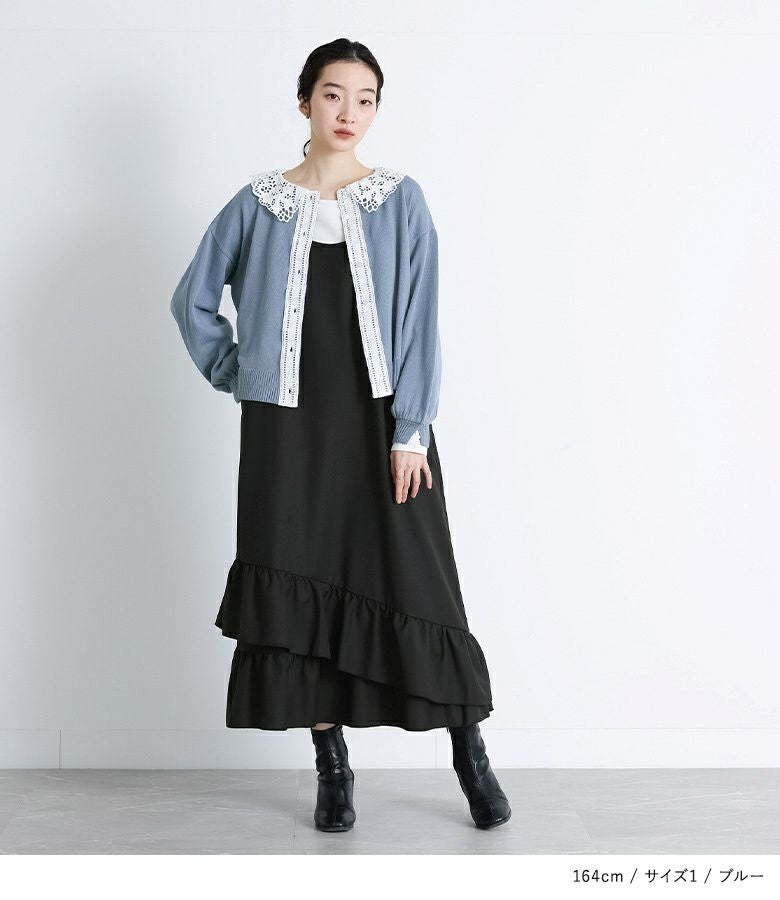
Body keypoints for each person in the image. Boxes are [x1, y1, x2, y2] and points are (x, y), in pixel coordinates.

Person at [169, 37, 511, 833]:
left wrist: (412, 431)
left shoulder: (401, 200)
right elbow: (192, 301)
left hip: (380, 422)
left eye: (365, 98)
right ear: (304, 102)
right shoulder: (258, 204)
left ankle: (470, 755)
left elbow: (420, 319)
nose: (349, 112)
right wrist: (241, 372)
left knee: (420, 580)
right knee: (300, 580)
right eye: (333, 94)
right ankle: (332, 766)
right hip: (285, 430)